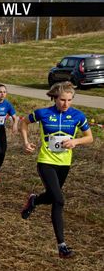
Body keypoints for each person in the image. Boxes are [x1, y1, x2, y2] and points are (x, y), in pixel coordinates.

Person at [20, 82, 93, 259]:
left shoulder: (77, 116)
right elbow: (24, 122)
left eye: (69, 100)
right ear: (55, 98)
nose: (66, 104)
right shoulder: (43, 113)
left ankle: (35, 200)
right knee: (59, 200)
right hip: (46, 161)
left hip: (64, 163)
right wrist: (26, 142)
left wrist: (75, 142)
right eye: (62, 100)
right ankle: (62, 246)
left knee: (53, 196)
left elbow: (89, 138)